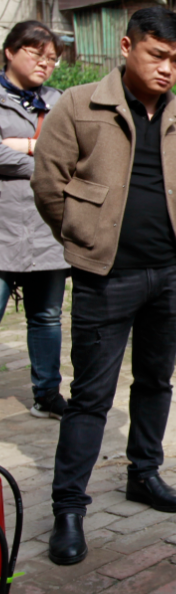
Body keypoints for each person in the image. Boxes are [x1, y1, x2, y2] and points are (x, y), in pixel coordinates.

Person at [31, 6, 176, 565]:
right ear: (127, 47)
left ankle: (144, 473)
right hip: (105, 276)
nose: (168, 69)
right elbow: (48, 183)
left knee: (155, 382)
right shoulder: (79, 105)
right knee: (91, 396)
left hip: (169, 275)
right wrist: (83, 236)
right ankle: (69, 506)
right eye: (157, 55)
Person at [0, 21, 68, 420]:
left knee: (46, 317)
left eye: (52, 58)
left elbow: (73, 152)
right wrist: (43, 159)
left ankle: (47, 393)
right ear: (10, 51)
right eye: (37, 54)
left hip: (46, 229)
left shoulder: (59, 102)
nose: (46, 63)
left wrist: (25, 145)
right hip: (3, 227)